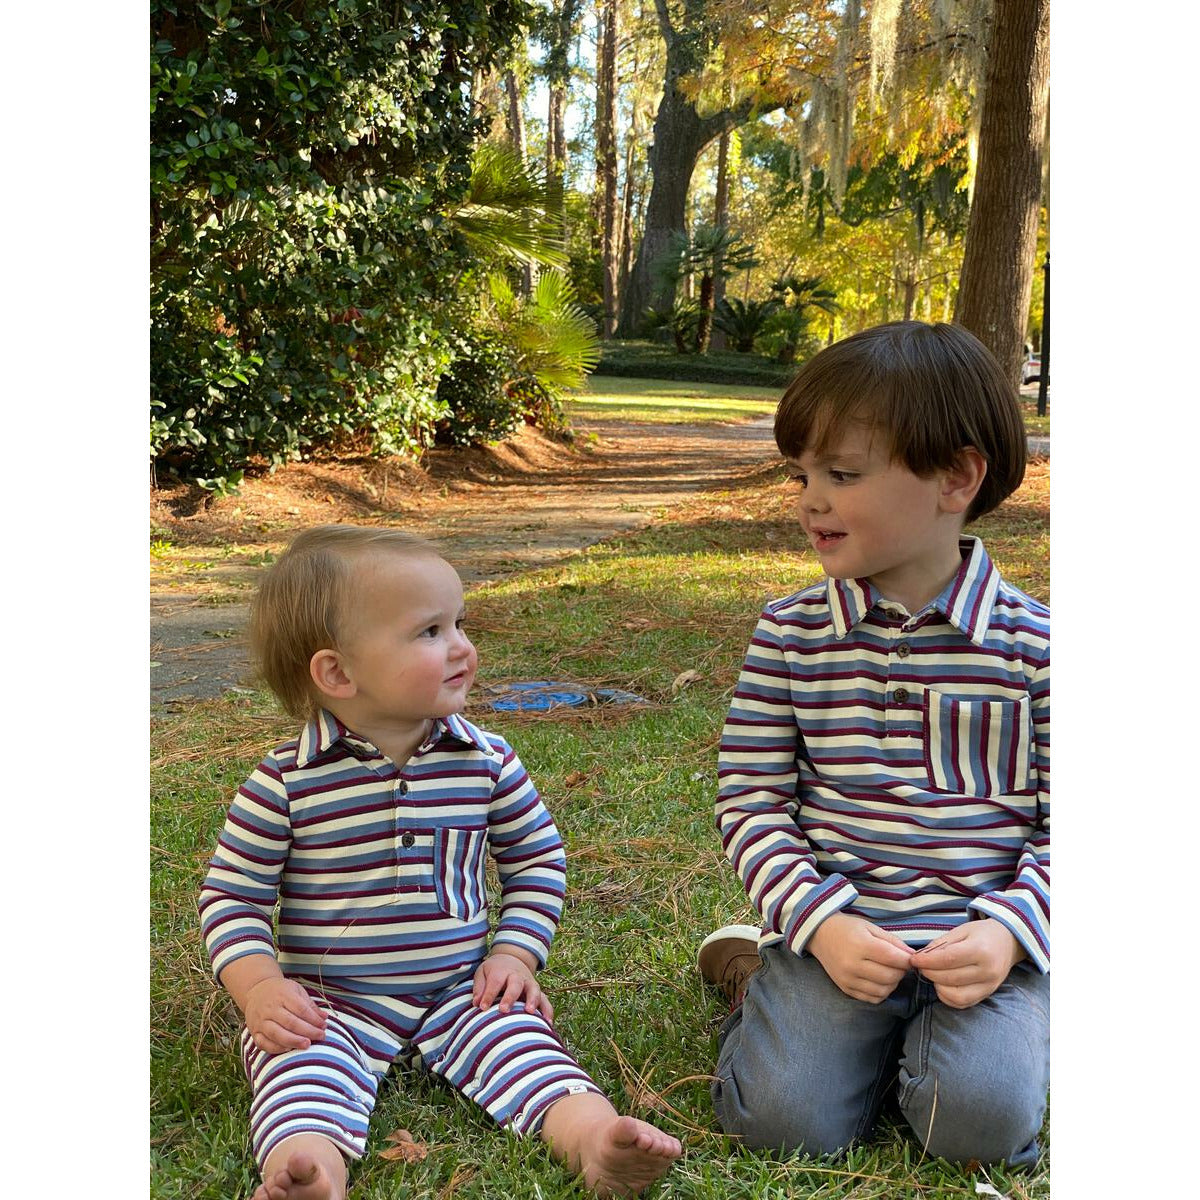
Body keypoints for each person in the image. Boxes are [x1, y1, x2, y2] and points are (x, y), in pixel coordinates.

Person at [199, 525, 681, 1200]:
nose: (461, 647)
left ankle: (595, 1141)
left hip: (462, 992)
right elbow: (233, 898)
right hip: (330, 1003)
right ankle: (310, 1171)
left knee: (529, 1051)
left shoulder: (487, 762)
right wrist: (259, 988)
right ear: (337, 673)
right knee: (298, 1074)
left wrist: (514, 955)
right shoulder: (286, 783)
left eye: (460, 623)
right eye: (430, 631)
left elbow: (536, 861)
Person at [698, 321, 1049, 1167]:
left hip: (986, 952)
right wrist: (820, 925)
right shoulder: (790, 634)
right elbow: (750, 799)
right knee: (783, 1125)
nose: (810, 499)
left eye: (843, 475)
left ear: (956, 477)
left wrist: (1008, 932)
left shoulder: (1039, 648)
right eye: (802, 475)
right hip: (838, 937)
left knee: (979, 1126)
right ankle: (758, 979)